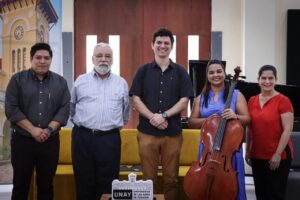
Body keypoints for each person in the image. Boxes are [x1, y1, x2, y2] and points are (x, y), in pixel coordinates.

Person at [129, 28, 193, 200]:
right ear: (152, 45)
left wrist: (163, 116)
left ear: (171, 46)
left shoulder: (181, 72)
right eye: (159, 42)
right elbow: (135, 99)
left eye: (166, 43)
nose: (162, 46)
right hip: (147, 133)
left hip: (172, 134)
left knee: (171, 179)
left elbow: (184, 101)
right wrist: (152, 117)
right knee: (147, 179)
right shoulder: (142, 71)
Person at [5, 42, 70, 200]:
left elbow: (64, 109)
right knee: (21, 185)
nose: (42, 61)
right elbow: (12, 109)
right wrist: (33, 130)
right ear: (31, 59)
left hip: (50, 142)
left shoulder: (60, 82)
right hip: (22, 141)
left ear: (51, 60)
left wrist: (48, 130)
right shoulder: (17, 80)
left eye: (46, 58)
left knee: (46, 185)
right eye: (38, 57)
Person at [70, 42, 130, 199]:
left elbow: (126, 111)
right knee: (83, 181)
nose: (103, 59)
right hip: (83, 137)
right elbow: (72, 107)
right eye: (99, 56)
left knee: (109, 183)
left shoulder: (121, 83)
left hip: (109, 139)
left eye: (107, 56)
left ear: (112, 60)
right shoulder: (80, 81)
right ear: (92, 59)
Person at [188, 59, 251, 200]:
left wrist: (235, 116)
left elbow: (247, 119)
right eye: (211, 72)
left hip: (230, 150)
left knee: (232, 188)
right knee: (204, 186)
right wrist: (211, 120)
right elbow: (191, 121)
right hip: (208, 149)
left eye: (218, 71)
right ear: (207, 76)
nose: (215, 75)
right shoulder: (201, 98)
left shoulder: (236, 95)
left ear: (224, 73)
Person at [246, 65, 294, 200]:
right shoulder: (252, 100)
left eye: (270, 78)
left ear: (276, 80)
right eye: (264, 78)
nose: (267, 81)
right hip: (257, 154)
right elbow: (249, 128)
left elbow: (287, 129)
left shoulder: (283, 100)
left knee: (275, 195)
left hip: (279, 155)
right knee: (261, 194)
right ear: (258, 80)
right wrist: (248, 151)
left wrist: (278, 154)